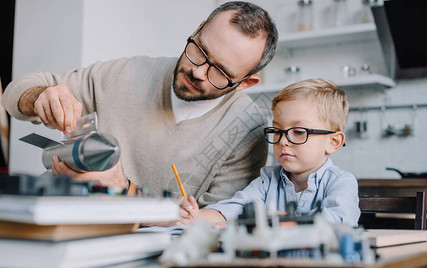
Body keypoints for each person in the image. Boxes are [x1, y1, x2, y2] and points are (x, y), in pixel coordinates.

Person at [2, 2, 278, 206]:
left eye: (220, 72)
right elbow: (15, 93)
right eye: (201, 50)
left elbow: (210, 224)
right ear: (198, 29)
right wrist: (40, 96)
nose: (198, 72)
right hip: (62, 223)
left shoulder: (246, 132)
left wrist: (124, 189)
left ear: (244, 83)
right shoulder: (126, 74)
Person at [180, 79, 360, 227]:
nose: (282, 141)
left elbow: (337, 222)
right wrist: (194, 215)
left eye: (298, 132)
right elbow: (232, 210)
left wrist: (267, 221)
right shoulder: (268, 180)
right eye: (277, 131)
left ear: (333, 142)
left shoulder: (341, 182)